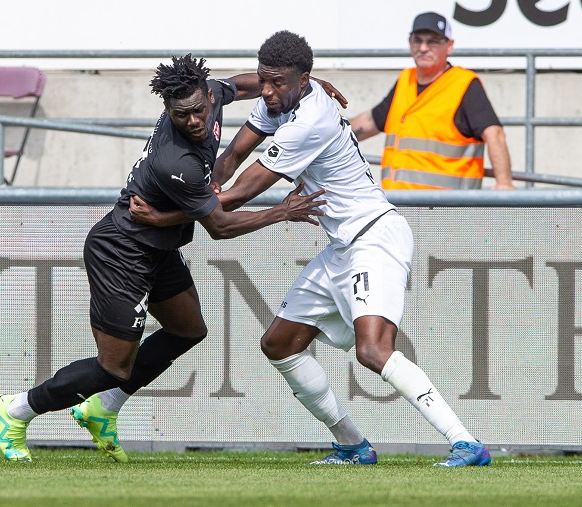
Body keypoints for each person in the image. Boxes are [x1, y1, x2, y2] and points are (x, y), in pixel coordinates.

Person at [92, 30, 491, 467]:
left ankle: (465, 443)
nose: (266, 91)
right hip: (342, 245)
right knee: (279, 344)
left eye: (276, 82)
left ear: (303, 79)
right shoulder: (281, 99)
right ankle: (352, 446)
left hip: (375, 237)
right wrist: (201, 187)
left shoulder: (310, 121)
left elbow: (239, 195)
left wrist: (166, 214)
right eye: (263, 79)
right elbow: (231, 159)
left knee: (373, 349)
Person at [0, 54, 329, 463]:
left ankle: (103, 408)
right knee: (112, 368)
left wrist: (303, 88)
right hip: (122, 252)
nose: (194, 121)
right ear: (168, 110)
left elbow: (245, 85)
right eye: (181, 115)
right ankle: (16, 410)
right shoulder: (176, 162)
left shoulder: (212, 94)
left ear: (208, 96)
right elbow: (219, 226)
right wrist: (281, 211)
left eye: (199, 111)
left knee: (188, 330)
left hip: (159, 246)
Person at [349, 11, 515, 190]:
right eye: (417, 40)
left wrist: (504, 183)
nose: (423, 48)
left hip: (447, 204)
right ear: (409, 42)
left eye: (433, 41)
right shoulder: (406, 80)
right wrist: (331, 137)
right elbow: (371, 121)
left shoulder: (464, 84)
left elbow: (494, 134)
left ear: (449, 46)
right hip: (397, 202)